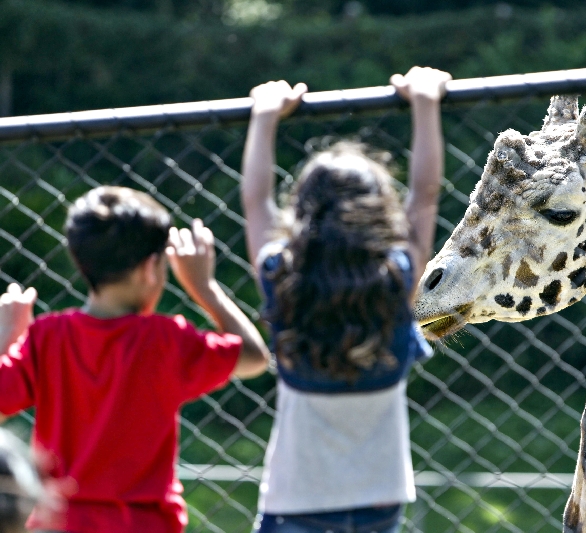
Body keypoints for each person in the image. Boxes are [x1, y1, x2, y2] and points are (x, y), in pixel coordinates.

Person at [241, 66, 451, 533]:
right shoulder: (397, 277)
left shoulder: (283, 278)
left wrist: (264, 116)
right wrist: (425, 102)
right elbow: (426, 195)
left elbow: (255, 203)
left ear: (304, 213)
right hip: (380, 499)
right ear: (378, 211)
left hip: (296, 501)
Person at [0, 186, 270, 533]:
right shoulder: (166, 340)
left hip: (60, 524)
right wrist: (204, 286)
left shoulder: (46, 337)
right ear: (151, 267)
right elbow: (254, 357)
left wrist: (8, 336)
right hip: (145, 525)